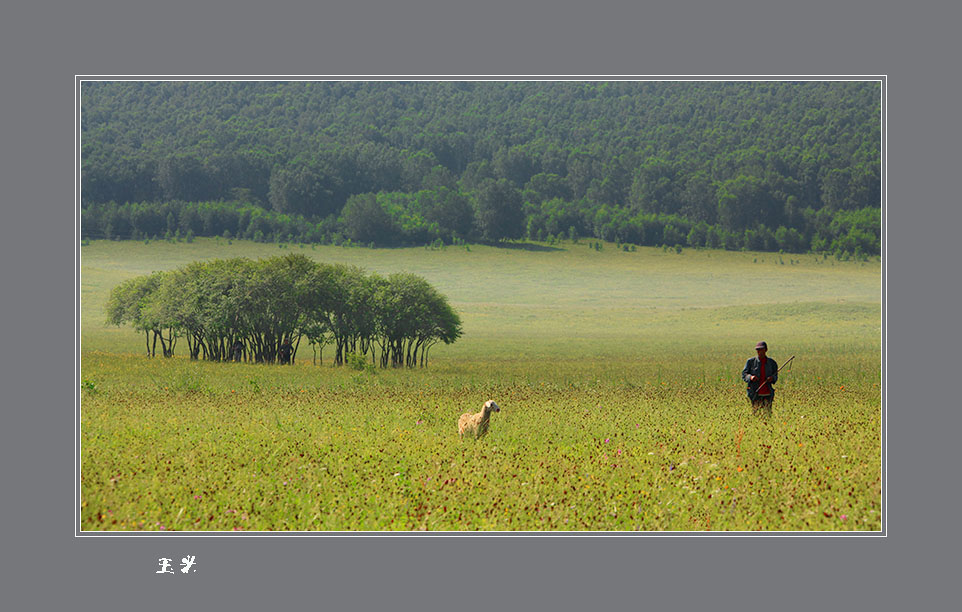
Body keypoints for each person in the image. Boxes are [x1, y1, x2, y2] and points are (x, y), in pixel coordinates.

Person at [742, 341, 778, 417]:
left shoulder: (772, 363)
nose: (759, 352)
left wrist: (772, 378)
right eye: (758, 350)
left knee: (768, 414)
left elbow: (776, 376)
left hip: (768, 393)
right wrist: (751, 377)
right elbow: (744, 375)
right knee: (756, 414)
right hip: (755, 393)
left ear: (766, 350)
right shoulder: (750, 362)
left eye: (761, 349)